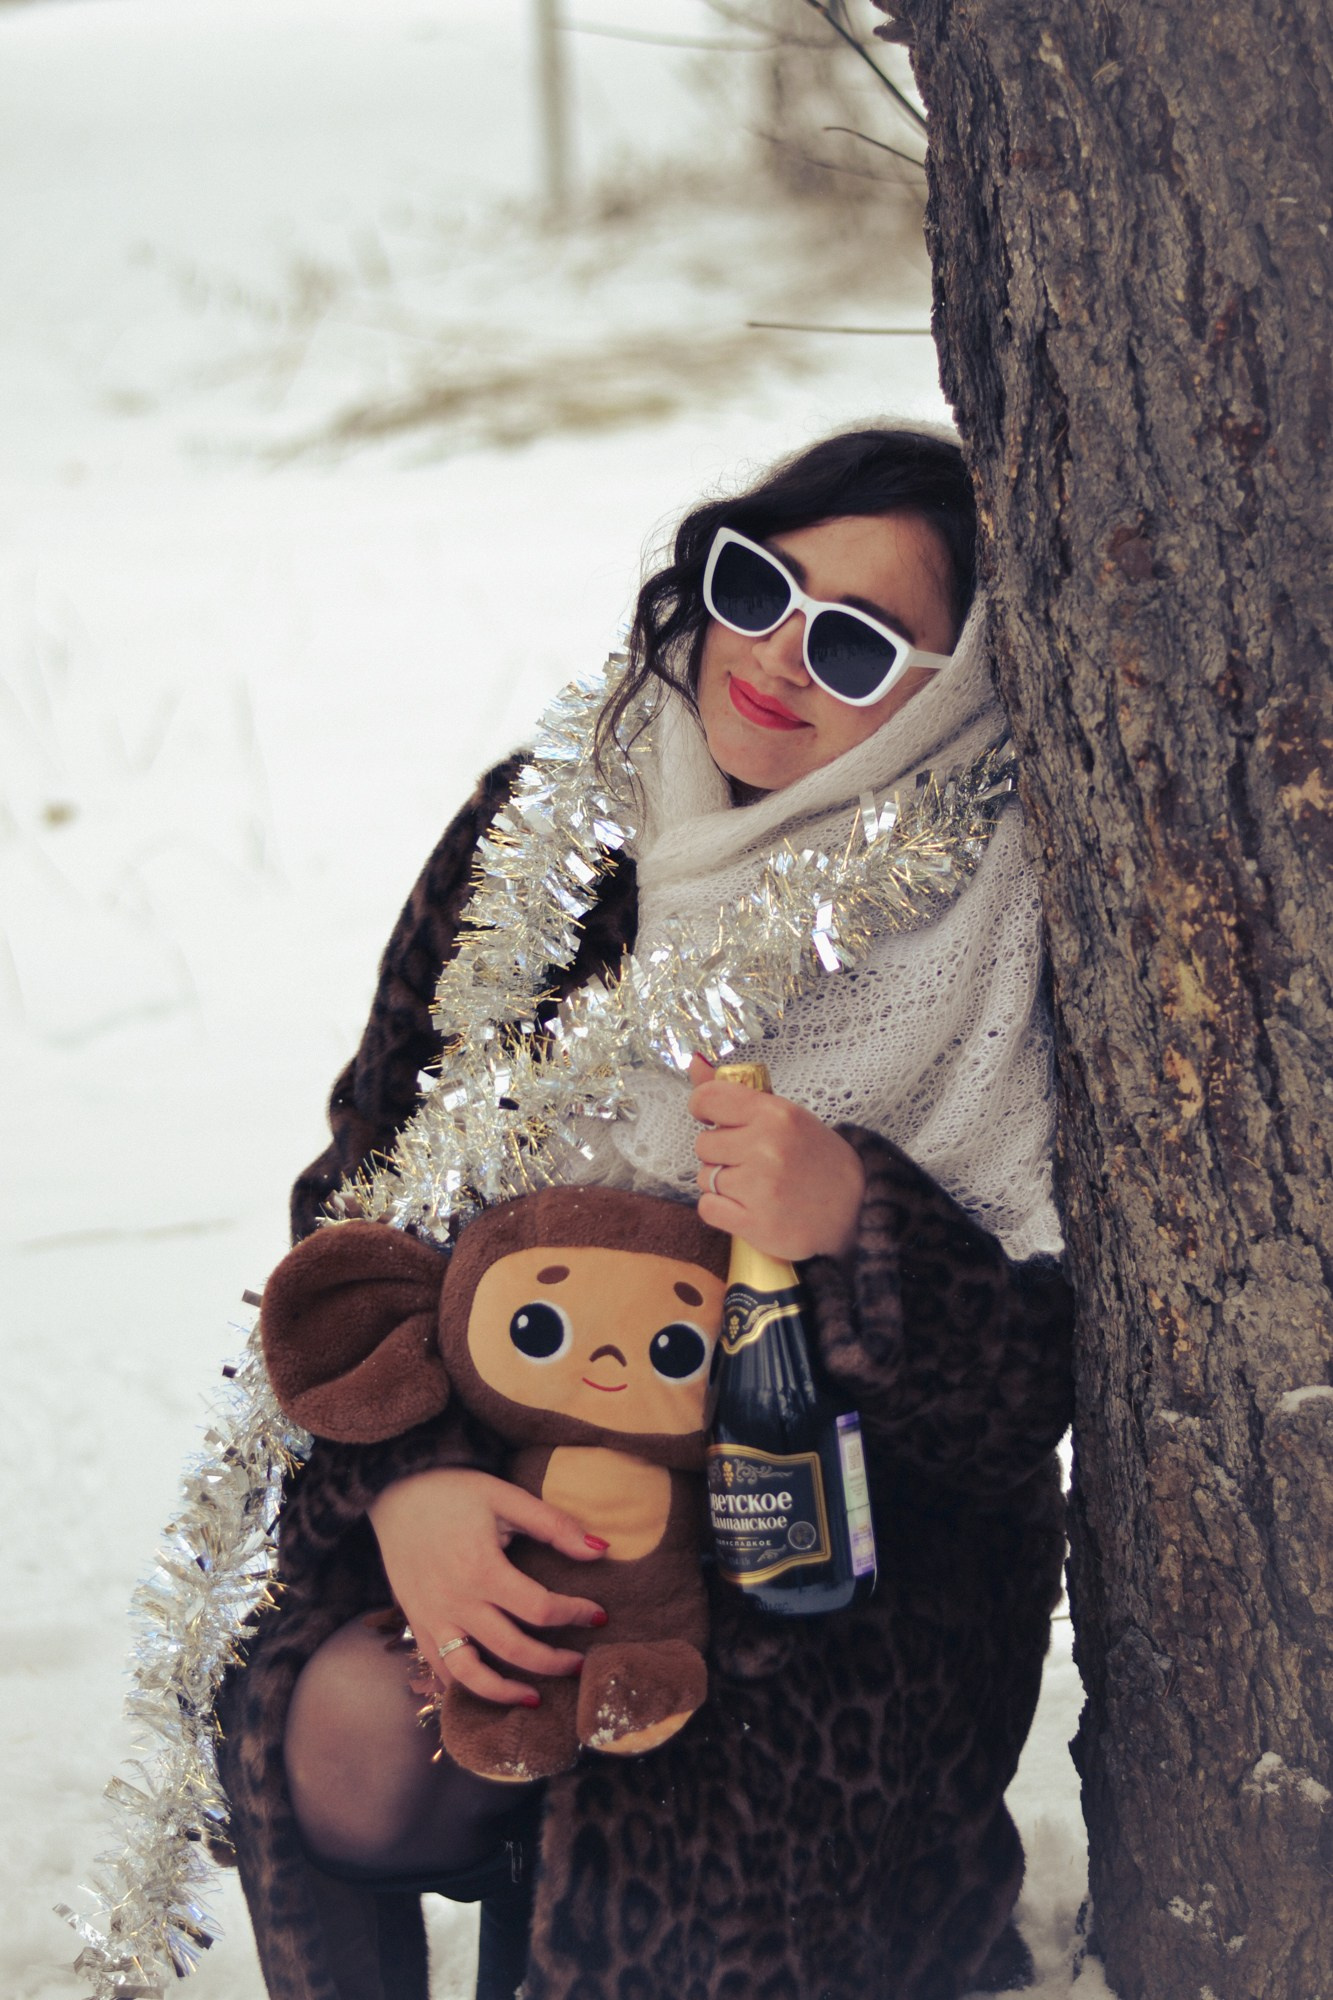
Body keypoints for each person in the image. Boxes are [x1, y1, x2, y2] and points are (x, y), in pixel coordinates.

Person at [215, 424, 1074, 2000]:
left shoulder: (998, 916)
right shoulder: (558, 830)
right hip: (522, 1459)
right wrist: (411, 1486)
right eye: (756, 587)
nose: (777, 656)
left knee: (698, 1833)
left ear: (952, 695)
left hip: (834, 1556)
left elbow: (1027, 1395)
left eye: (856, 643)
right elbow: (369, 1184)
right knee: (342, 1737)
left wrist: (857, 1218)